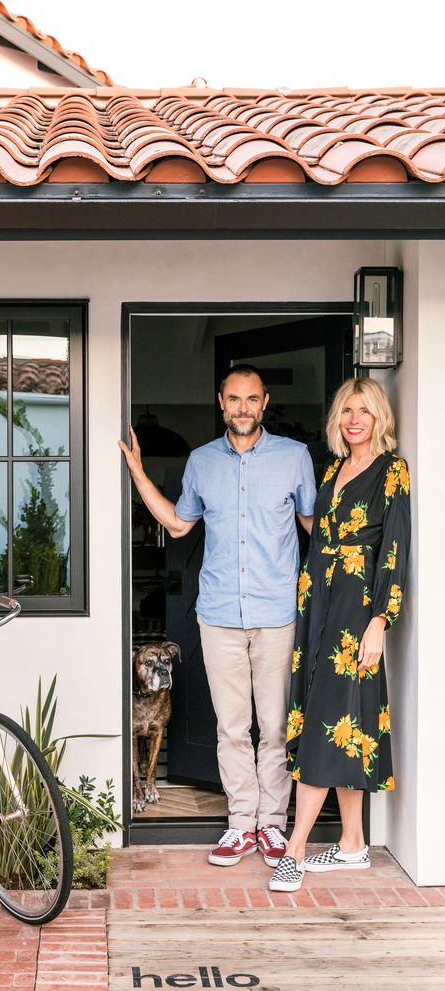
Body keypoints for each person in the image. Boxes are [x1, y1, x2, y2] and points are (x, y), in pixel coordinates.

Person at [119, 366, 317, 867]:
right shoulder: (201, 462)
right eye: (234, 399)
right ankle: (240, 823)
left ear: (265, 402)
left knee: (273, 727)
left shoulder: (294, 457)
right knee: (232, 728)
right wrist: (139, 474)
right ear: (221, 402)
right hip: (220, 614)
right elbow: (179, 525)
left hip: (276, 614)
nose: (243, 407)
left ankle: (272, 826)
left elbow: (318, 526)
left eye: (252, 398)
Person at [269, 378, 410, 893]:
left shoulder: (391, 471)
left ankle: (294, 849)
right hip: (319, 607)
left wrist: (380, 620)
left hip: (356, 613)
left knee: (324, 722)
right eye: (347, 411)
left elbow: (394, 547)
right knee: (341, 720)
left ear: (379, 418)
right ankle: (353, 844)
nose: (354, 420)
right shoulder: (333, 469)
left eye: (364, 411)